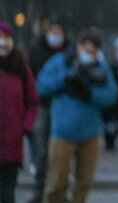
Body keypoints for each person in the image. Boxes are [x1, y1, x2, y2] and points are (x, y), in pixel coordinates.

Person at [37, 27, 118, 203]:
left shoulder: (101, 67)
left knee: (84, 184)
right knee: (55, 185)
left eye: (94, 50)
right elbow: (41, 86)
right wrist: (65, 79)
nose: (91, 53)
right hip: (62, 134)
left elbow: (112, 95)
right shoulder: (60, 62)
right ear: (79, 46)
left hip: (90, 135)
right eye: (87, 49)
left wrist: (89, 94)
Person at [27, 22, 70, 203]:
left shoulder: (70, 53)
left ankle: (61, 190)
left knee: (63, 152)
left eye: (59, 32)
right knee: (41, 152)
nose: (55, 35)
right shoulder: (37, 52)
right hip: (43, 107)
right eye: (53, 32)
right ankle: (40, 190)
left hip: (64, 107)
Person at [0, 21, 39, 203]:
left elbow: (32, 101)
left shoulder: (20, 68)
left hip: (12, 142)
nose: (3, 42)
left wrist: (24, 126)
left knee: (7, 194)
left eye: (7, 38)